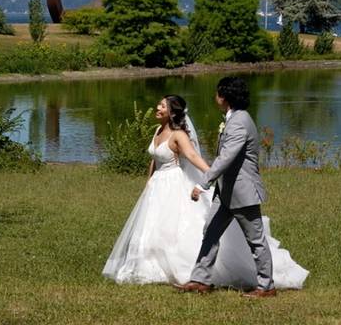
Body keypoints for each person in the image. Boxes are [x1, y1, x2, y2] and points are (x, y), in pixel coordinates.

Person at [102, 93, 307, 290]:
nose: (157, 107)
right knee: (152, 227)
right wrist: (148, 182)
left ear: (173, 112)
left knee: (176, 227)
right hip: (157, 186)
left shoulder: (179, 135)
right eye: (159, 104)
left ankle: (200, 274)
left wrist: (210, 175)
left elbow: (192, 156)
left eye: (162, 106)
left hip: (173, 183)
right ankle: (155, 267)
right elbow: (155, 159)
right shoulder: (158, 131)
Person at [177, 77, 283, 298]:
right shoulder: (233, 118)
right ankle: (200, 280)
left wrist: (203, 182)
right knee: (210, 231)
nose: (215, 96)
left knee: (255, 240)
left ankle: (266, 287)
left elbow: (226, 158)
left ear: (224, 96)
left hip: (242, 191)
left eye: (217, 93)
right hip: (225, 192)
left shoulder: (239, 122)